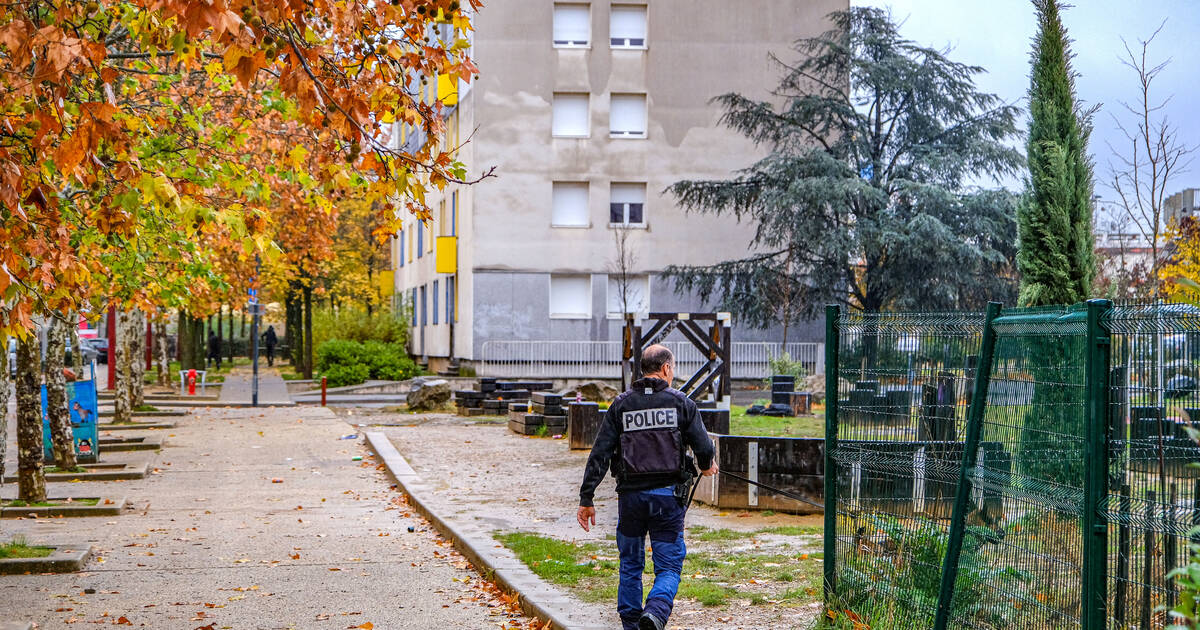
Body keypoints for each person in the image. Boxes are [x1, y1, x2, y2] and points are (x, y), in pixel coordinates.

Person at [576, 344, 717, 630]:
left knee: (630, 564)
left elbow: (600, 453)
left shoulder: (621, 405)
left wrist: (586, 497)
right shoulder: (681, 403)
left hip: (630, 500)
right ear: (666, 368)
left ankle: (631, 623)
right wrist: (705, 465)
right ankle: (654, 612)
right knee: (668, 567)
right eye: (673, 368)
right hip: (668, 499)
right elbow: (703, 446)